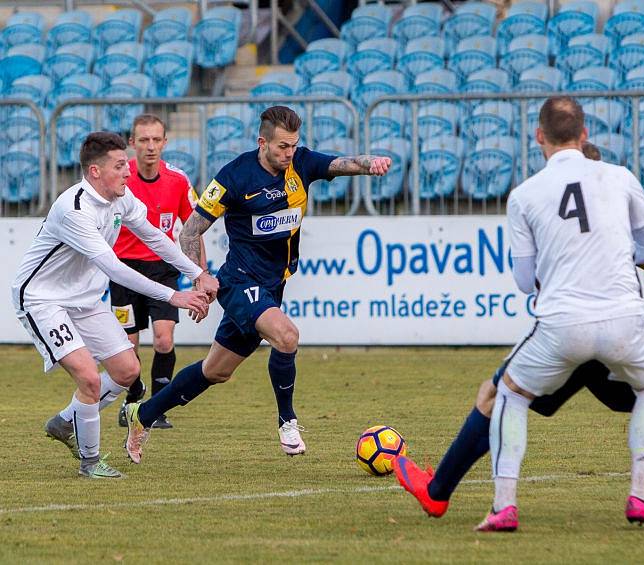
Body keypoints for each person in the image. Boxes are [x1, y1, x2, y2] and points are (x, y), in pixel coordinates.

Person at [395, 141, 644, 528]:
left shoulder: (554, 218)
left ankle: (437, 493)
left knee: (495, 393)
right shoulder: (616, 224)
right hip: (616, 347)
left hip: (566, 344)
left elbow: (528, 279)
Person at [123, 105, 392, 461]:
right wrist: (199, 278)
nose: (289, 153)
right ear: (262, 142)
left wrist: (369, 163)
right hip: (239, 281)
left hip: (272, 285)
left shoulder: (302, 163)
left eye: (293, 146)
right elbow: (190, 231)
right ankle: (288, 421)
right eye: (282, 146)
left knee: (214, 371)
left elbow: (341, 164)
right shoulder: (233, 177)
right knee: (287, 336)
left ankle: (141, 415)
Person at [11, 132, 216, 479]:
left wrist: (198, 273)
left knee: (126, 371)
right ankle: (90, 463)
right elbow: (114, 267)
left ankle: (65, 421)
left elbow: (155, 237)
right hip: (43, 299)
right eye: (120, 165)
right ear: (95, 171)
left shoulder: (121, 197)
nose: (128, 172)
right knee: (90, 380)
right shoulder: (74, 209)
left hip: (85, 297)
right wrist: (172, 295)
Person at [112, 114, 206, 430]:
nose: (150, 147)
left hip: (162, 270)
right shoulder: (118, 180)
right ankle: (132, 399)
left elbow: (193, 230)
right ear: (132, 143)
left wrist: (200, 275)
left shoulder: (178, 180)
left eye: (156, 140)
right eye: (144, 140)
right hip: (123, 272)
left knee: (164, 340)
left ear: (165, 142)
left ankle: (157, 407)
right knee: (128, 347)